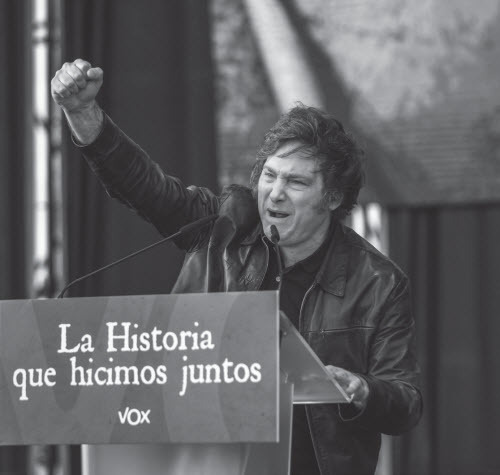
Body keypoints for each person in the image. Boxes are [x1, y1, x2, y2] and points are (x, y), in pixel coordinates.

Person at [51, 59, 422, 475]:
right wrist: (83, 113)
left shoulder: (377, 283)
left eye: (296, 183)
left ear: (333, 197)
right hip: (202, 461)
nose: (275, 194)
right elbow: (144, 185)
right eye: (269, 176)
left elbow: (405, 400)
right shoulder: (224, 224)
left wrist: (363, 390)